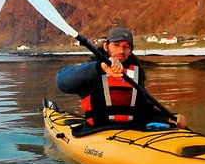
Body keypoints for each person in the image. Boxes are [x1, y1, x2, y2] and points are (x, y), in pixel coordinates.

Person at [56, 27, 187, 131]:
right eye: (116, 45)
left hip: (131, 131)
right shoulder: (92, 69)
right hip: (97, 131)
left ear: (131, 50)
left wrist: (168, 118)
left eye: (126, 47)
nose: (121, 51)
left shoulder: (136, 73)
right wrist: (100, 68)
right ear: (106, 46)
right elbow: (62, 81)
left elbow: (143, 109)